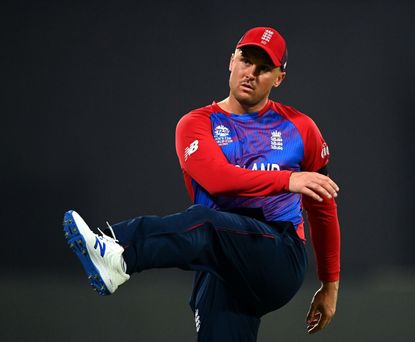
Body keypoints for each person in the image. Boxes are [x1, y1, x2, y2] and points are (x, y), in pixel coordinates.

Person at [63, 26, 341, 341]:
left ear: (279, 78)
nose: (250, 72)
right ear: (231, 61)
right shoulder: (196, 124)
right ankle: (114, 253)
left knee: (204, 223)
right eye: (246, 60)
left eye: (263, 68)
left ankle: (116, 249)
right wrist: (288, 178)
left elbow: (323, 208)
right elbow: (218, 180)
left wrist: (329, 287)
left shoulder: (301, 129)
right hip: (219, 264)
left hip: (277, 253)